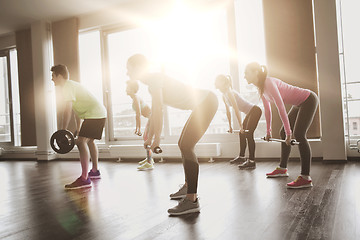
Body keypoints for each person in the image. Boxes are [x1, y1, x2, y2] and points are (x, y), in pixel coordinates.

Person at [126, 54, 218, 215]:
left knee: (186, 146)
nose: (127, 73)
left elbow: (158, 110)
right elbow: (156, 111)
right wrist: (150, 137)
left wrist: (156, 139)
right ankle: (188, 187)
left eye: (129, 69)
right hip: (204, 103)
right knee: (183, 145)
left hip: (207, 102)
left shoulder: (154, 80)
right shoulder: (152, 83)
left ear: (137, 68)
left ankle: (191, 200)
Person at [244, 62, 319, 188]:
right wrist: (268, 132)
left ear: (255, 72)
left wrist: (290, 135)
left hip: (308, 99)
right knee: (283, 132)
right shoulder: (261, 88)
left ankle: (306, 177)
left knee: (299, 134)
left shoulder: (268, 82)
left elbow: (281, 107)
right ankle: (282, 169)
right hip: (299, 103)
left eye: (246, 73)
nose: (244, 76)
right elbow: (267, 110)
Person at [51, 64, 107, 189]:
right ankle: (94, 171)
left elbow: (68, 110)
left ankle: (84, 178)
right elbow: (77, 111)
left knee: (81, 142)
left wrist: (63, 130)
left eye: (53, 76)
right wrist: (79, 127)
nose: (52, 78)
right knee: (90, 141)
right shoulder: (71, 85)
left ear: (59, 76)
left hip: (94, 114)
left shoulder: (67, 87)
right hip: (99, 113)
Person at [215, 74, 262, 169]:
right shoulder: (224, 96)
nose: (216, 84)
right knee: (242, 134)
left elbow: (236, 110)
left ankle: (252, 161)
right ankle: (241, 156)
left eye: (218, 81)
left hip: (255, 111)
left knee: (248, 134)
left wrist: (241, 126)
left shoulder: (230, 92)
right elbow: (228, 112)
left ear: (223, 83)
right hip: (250, 113)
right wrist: (230, 126)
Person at [126, 80, 154, 170]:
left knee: (146, 138)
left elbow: (138, 114)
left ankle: (149, 163)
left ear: (133, 89)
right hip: (151, 118)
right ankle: (149, 159)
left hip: (153, 117)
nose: (126, 89)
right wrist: (137, 128)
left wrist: (138, 129)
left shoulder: (135, 97)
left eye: (128, 87)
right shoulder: (134, 98)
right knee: (145, 138)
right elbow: (138, 114)